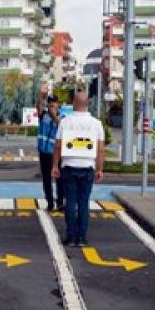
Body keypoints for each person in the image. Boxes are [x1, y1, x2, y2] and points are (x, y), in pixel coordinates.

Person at [51, 92, 105, 247]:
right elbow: (100, 150)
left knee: (70, 202)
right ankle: (81, 237)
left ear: (74, 103)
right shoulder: (96, 124)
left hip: (69, 167)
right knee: (83, 203)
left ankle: (70, 237)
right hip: (87, 167)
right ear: (88, 104)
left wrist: (55, 165)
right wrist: (99, 169)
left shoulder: (65, 122)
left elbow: (58, 145)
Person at [36, 90, 65, 211]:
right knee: (46, 180)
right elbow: (38, 107)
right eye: (50, 102)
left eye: (54, 102)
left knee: (59, 179)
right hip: (44, 152)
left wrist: (53, 114)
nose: (52, 104)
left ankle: (60, 202)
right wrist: (40, 97)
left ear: (58, 104)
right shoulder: (44, 115)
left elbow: (59, 124)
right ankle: (50, 202)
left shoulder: (62, 117)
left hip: (56, 153)